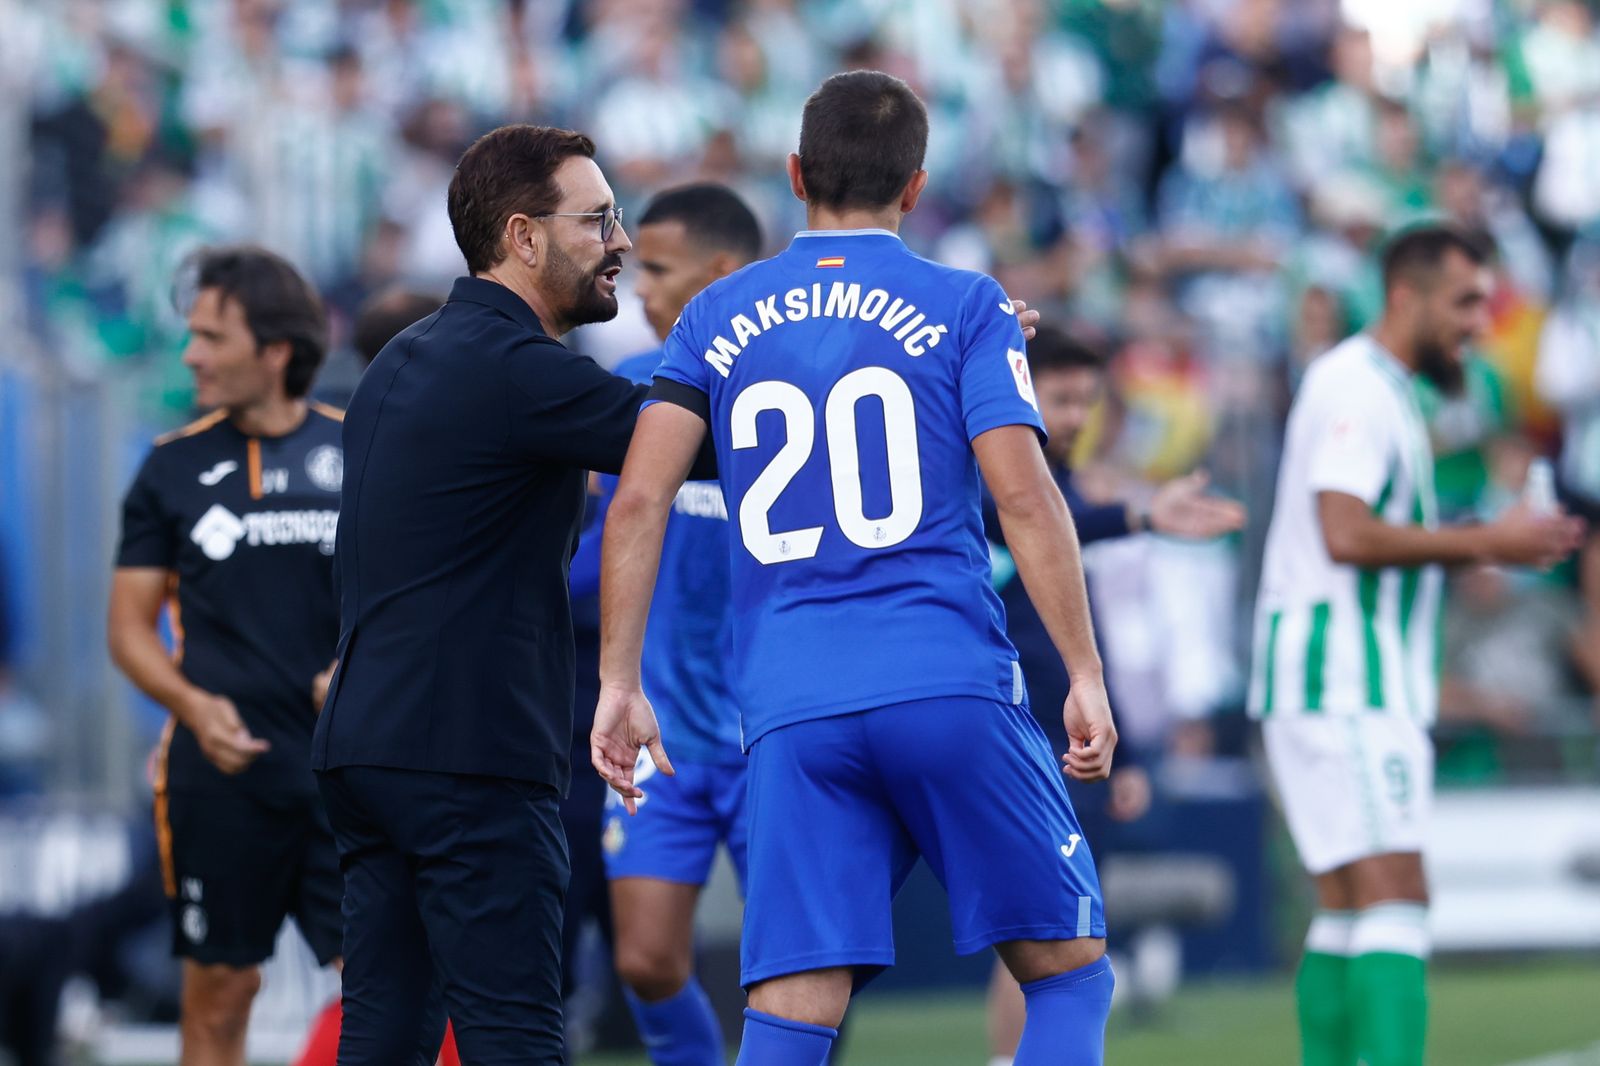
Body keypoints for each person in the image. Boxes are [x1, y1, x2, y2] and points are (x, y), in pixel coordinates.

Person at [594, 70, 1117, 1066]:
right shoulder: (965, 304)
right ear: (915, 187)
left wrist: (619, 681)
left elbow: (638, 499)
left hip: (790, 706)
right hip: (942, 676)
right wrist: (1083, 671)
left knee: (793, 1009)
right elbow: (1024, 494)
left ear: (795, 174)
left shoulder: (712, 318)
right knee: (1068, 966)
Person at [309, 124, 715, 1066]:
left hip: (369, 752)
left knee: (384, 1038)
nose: (620, 242)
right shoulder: (520, 372)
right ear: (525, 237)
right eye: (601, 219)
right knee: (516, 1039)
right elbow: (699, 444)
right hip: (468, 760)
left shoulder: (402, 358)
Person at [1248, 224, 1584, 1066]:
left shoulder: (1383, 389)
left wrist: (1470, 540)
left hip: (1331, 676)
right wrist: (1483, 544)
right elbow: (1346, 533)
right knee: (1398, 893)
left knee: (1347, 905)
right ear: (1407, 297)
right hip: (1342, 677)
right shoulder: (1356, 387)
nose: (1480, 321)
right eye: (1466, 302)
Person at [982, 327, 1245, 1066]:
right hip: (1012, 732)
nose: (1072, 417)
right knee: (1050, 927)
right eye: (1059, 398)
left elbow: (1073, 632)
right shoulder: (989, 474)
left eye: (1085, 402)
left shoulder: (1053, 485)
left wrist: (1117, 737)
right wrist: (1135, 516)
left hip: (1059, 737)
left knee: (1052, 924)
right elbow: (1022, 528)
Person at [108, 245, 344, 1066]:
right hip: (222, 775)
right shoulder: (171, 467)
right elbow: (130, 629)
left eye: (210, 337)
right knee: (219, 999)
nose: (190, 355)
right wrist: (195, 707)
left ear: (275, 350)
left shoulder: (365, 454)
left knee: (385, 987)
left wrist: (361, 667)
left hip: (346, 772)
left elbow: (411, 602)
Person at [567, 181, 762, 1065]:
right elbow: (594, 554)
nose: (638, 287)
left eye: (658, 269)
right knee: (645, 960)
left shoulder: (797, 378)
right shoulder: (628, 389)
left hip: (775, 726)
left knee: (804, 961)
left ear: (722, 275)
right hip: (663, 731)